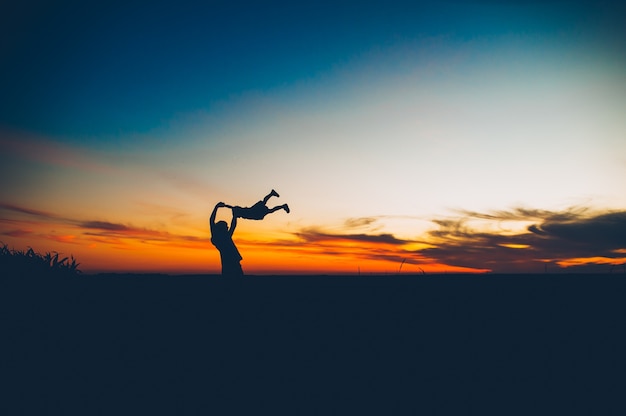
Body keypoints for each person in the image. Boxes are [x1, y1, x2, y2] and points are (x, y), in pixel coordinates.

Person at [209, 202, 243, 276]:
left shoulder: (224, 237)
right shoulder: (219, 238)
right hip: (230, 264)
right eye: (226, 226)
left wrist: (234, 216)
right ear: (221, 228)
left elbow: (232, 226)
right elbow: (211, 221)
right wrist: (216, 207)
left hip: (233, 262)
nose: (227, 227)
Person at [224, 189, 289, 220]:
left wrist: (224, 206)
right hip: (255, 213)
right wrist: (225, 206)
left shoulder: (240, 212)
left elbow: (232, 208)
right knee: (267, 207)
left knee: (267, 206)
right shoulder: (239, 212)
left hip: (254, 212)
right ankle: (282, 205)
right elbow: (231, 207)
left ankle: (281, 204)